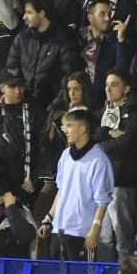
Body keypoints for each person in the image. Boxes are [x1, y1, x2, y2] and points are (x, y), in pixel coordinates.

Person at [47, 107, 113, 260]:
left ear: (83, 129)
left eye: (70, 126)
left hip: (81, 233)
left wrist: (94, 229)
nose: (66, 131)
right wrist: (49, 218)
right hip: (59, 229)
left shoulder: (99, 158)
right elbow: (61, 191)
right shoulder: (65, 155)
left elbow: (102, 200)